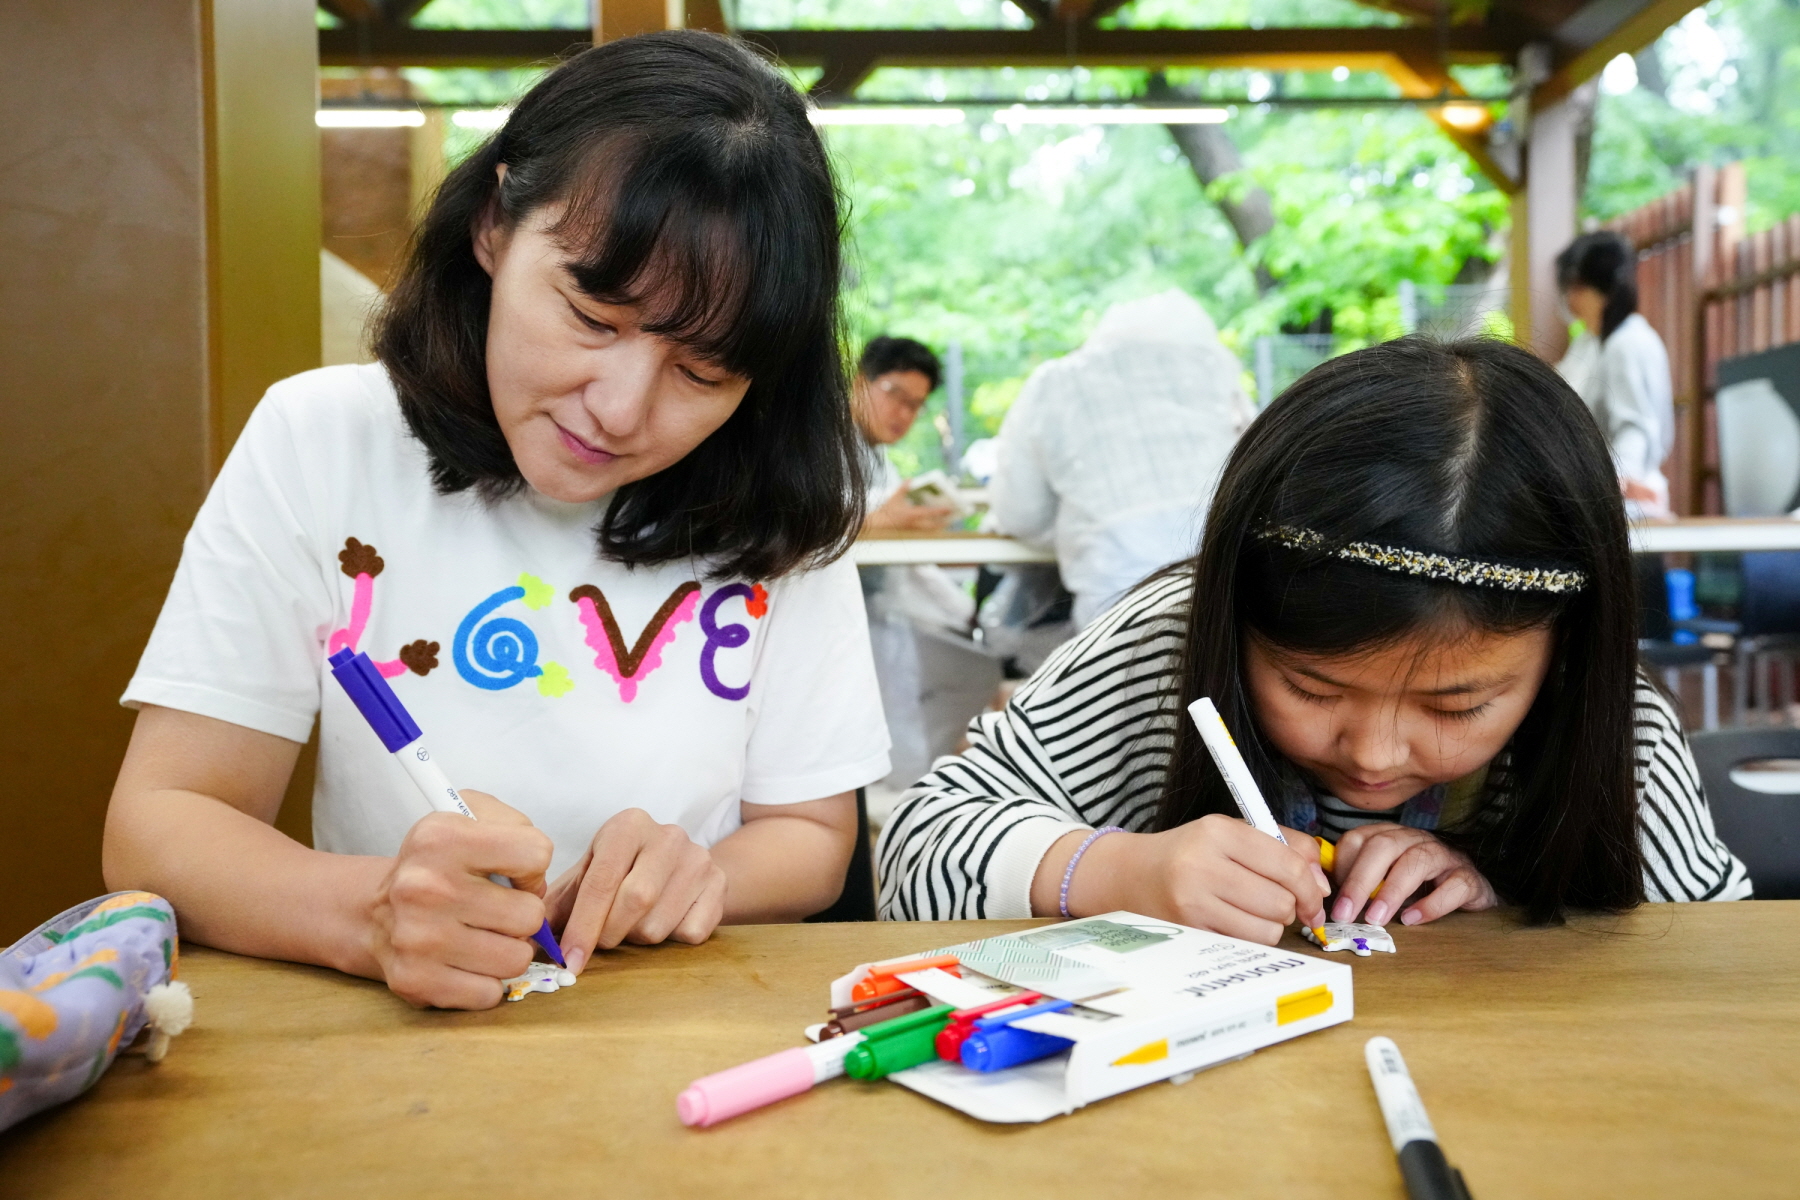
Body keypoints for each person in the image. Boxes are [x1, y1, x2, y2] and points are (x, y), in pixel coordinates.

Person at [102, 33, 891, 1010]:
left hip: (679, 1039)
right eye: (592, 318)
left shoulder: (784, 505)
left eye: (703, 372)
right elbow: (163, 819)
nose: (621, 409)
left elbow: (813, 837)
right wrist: (372, 910)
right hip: (396, 1045)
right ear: (492, 224)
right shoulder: (328, 439)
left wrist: (706, 874)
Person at [878, 337, 1750, 936]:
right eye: (1313, 688)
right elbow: (914, 854)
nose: (1372, 754)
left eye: (1459, 705)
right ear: (1237, 614)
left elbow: (1715, 945)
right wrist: (1116, 874)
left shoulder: (1609, 721)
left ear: (1565, 652)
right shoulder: (1163, 649)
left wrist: (1504, 892)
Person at [988, 288, 1254, 628]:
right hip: (1229, 596)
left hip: (1115, 600)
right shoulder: (1219, 381)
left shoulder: (1055, 383)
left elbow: (1020, 515)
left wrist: (1080, 524)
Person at [1555, 231, 1675, 516]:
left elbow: (1636, 429)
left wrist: (1615, 481)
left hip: (1626, 506)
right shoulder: (1588, 342)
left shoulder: (1628, 343)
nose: (1570, 298)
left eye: (1578, 287)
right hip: (1595, 500)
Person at [854, 336, 956, 533]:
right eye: (895, 394)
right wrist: (879, 522)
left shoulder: (880, 459)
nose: (904, 414)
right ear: (860, 383)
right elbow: (800, 530)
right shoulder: (816, 446)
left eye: (915, 405)